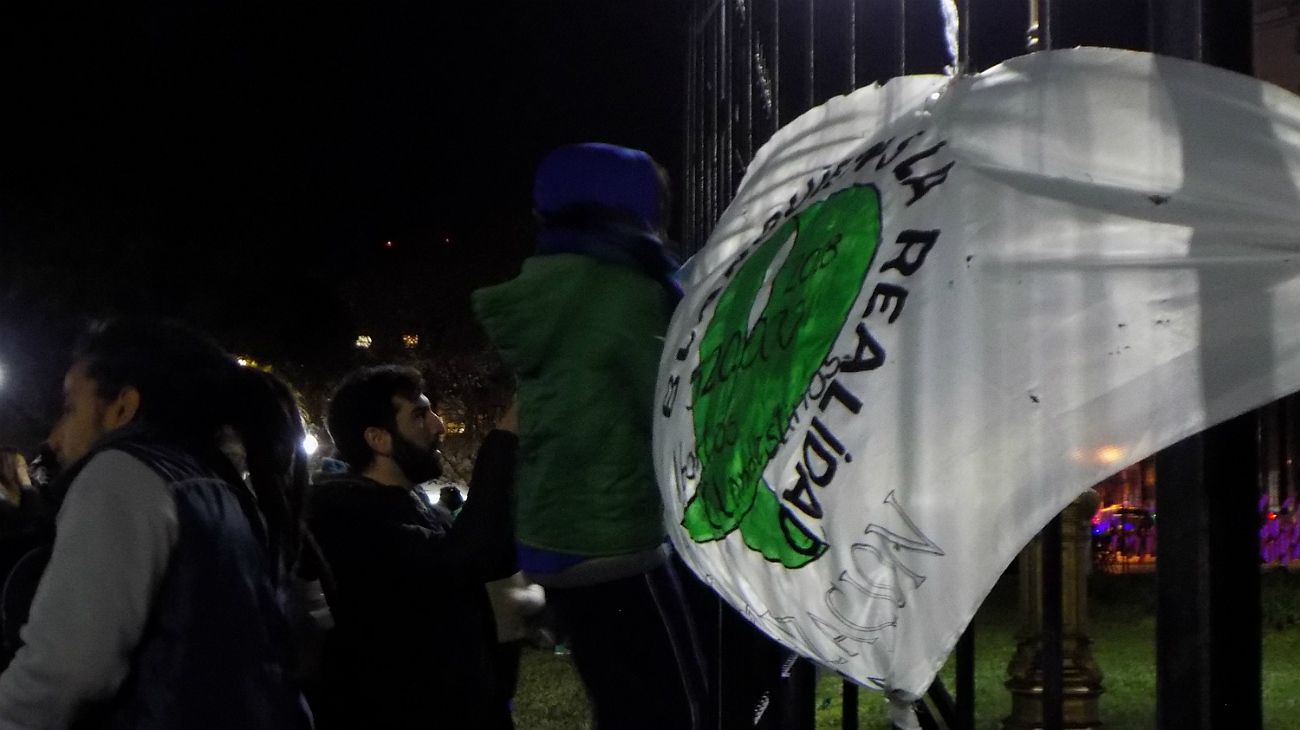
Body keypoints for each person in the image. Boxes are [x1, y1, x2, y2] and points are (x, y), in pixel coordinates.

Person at [472, 142, 707, 730]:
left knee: (623, 699)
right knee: (676, 708)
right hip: (613, 537)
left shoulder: (550, 287)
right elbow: (675, 402)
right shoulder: (621, 290)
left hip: (555, 533)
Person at [0, 318, 311, 730]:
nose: (54, 437)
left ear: (123, 407)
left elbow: (65, 673)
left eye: (70, 406)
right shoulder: (217, 483)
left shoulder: (120, 475)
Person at [307, 365, 518, 730]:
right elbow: (460, 561)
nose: (439, 426)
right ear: (378, 439)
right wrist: (503, 442)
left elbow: (490, 558)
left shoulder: (413, 507)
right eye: (420, 416)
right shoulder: (347, 518)